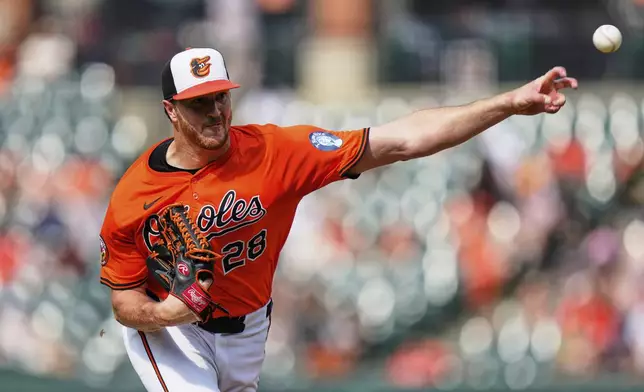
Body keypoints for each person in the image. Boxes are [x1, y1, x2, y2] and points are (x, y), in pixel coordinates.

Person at [98, 47, 577, 392]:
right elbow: (123, 300)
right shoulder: (134, 195)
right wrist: (162, 315)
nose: (215, 112)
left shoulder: (275, 152)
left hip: (248, 330)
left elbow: (401, 141)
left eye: (220, 97)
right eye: (197, 103)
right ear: (170, 111)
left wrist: (507, 104)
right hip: (173, 334)